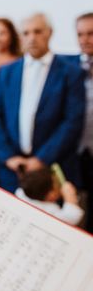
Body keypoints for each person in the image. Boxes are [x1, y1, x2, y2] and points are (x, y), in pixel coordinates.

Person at [0, 13, 86, 193]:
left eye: (37, 32)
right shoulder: (7, 72)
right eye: (26, 33)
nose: (32, 38)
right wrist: (9, 157)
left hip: (53, 167)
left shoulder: (71, 72)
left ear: (49, 33)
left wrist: (41, 159)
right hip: (13, 169)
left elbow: (73, 121)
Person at [63, 12, 93, 231]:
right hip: (72, 151)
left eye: (91, 34)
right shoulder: (66, 67)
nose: (85, 39)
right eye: (80, 34)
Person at [15, 166, 84, 226]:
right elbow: (72, 216)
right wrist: (70, 196)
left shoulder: (22, 192)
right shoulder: (50, 213)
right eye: (58, 185)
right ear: (51, 195)